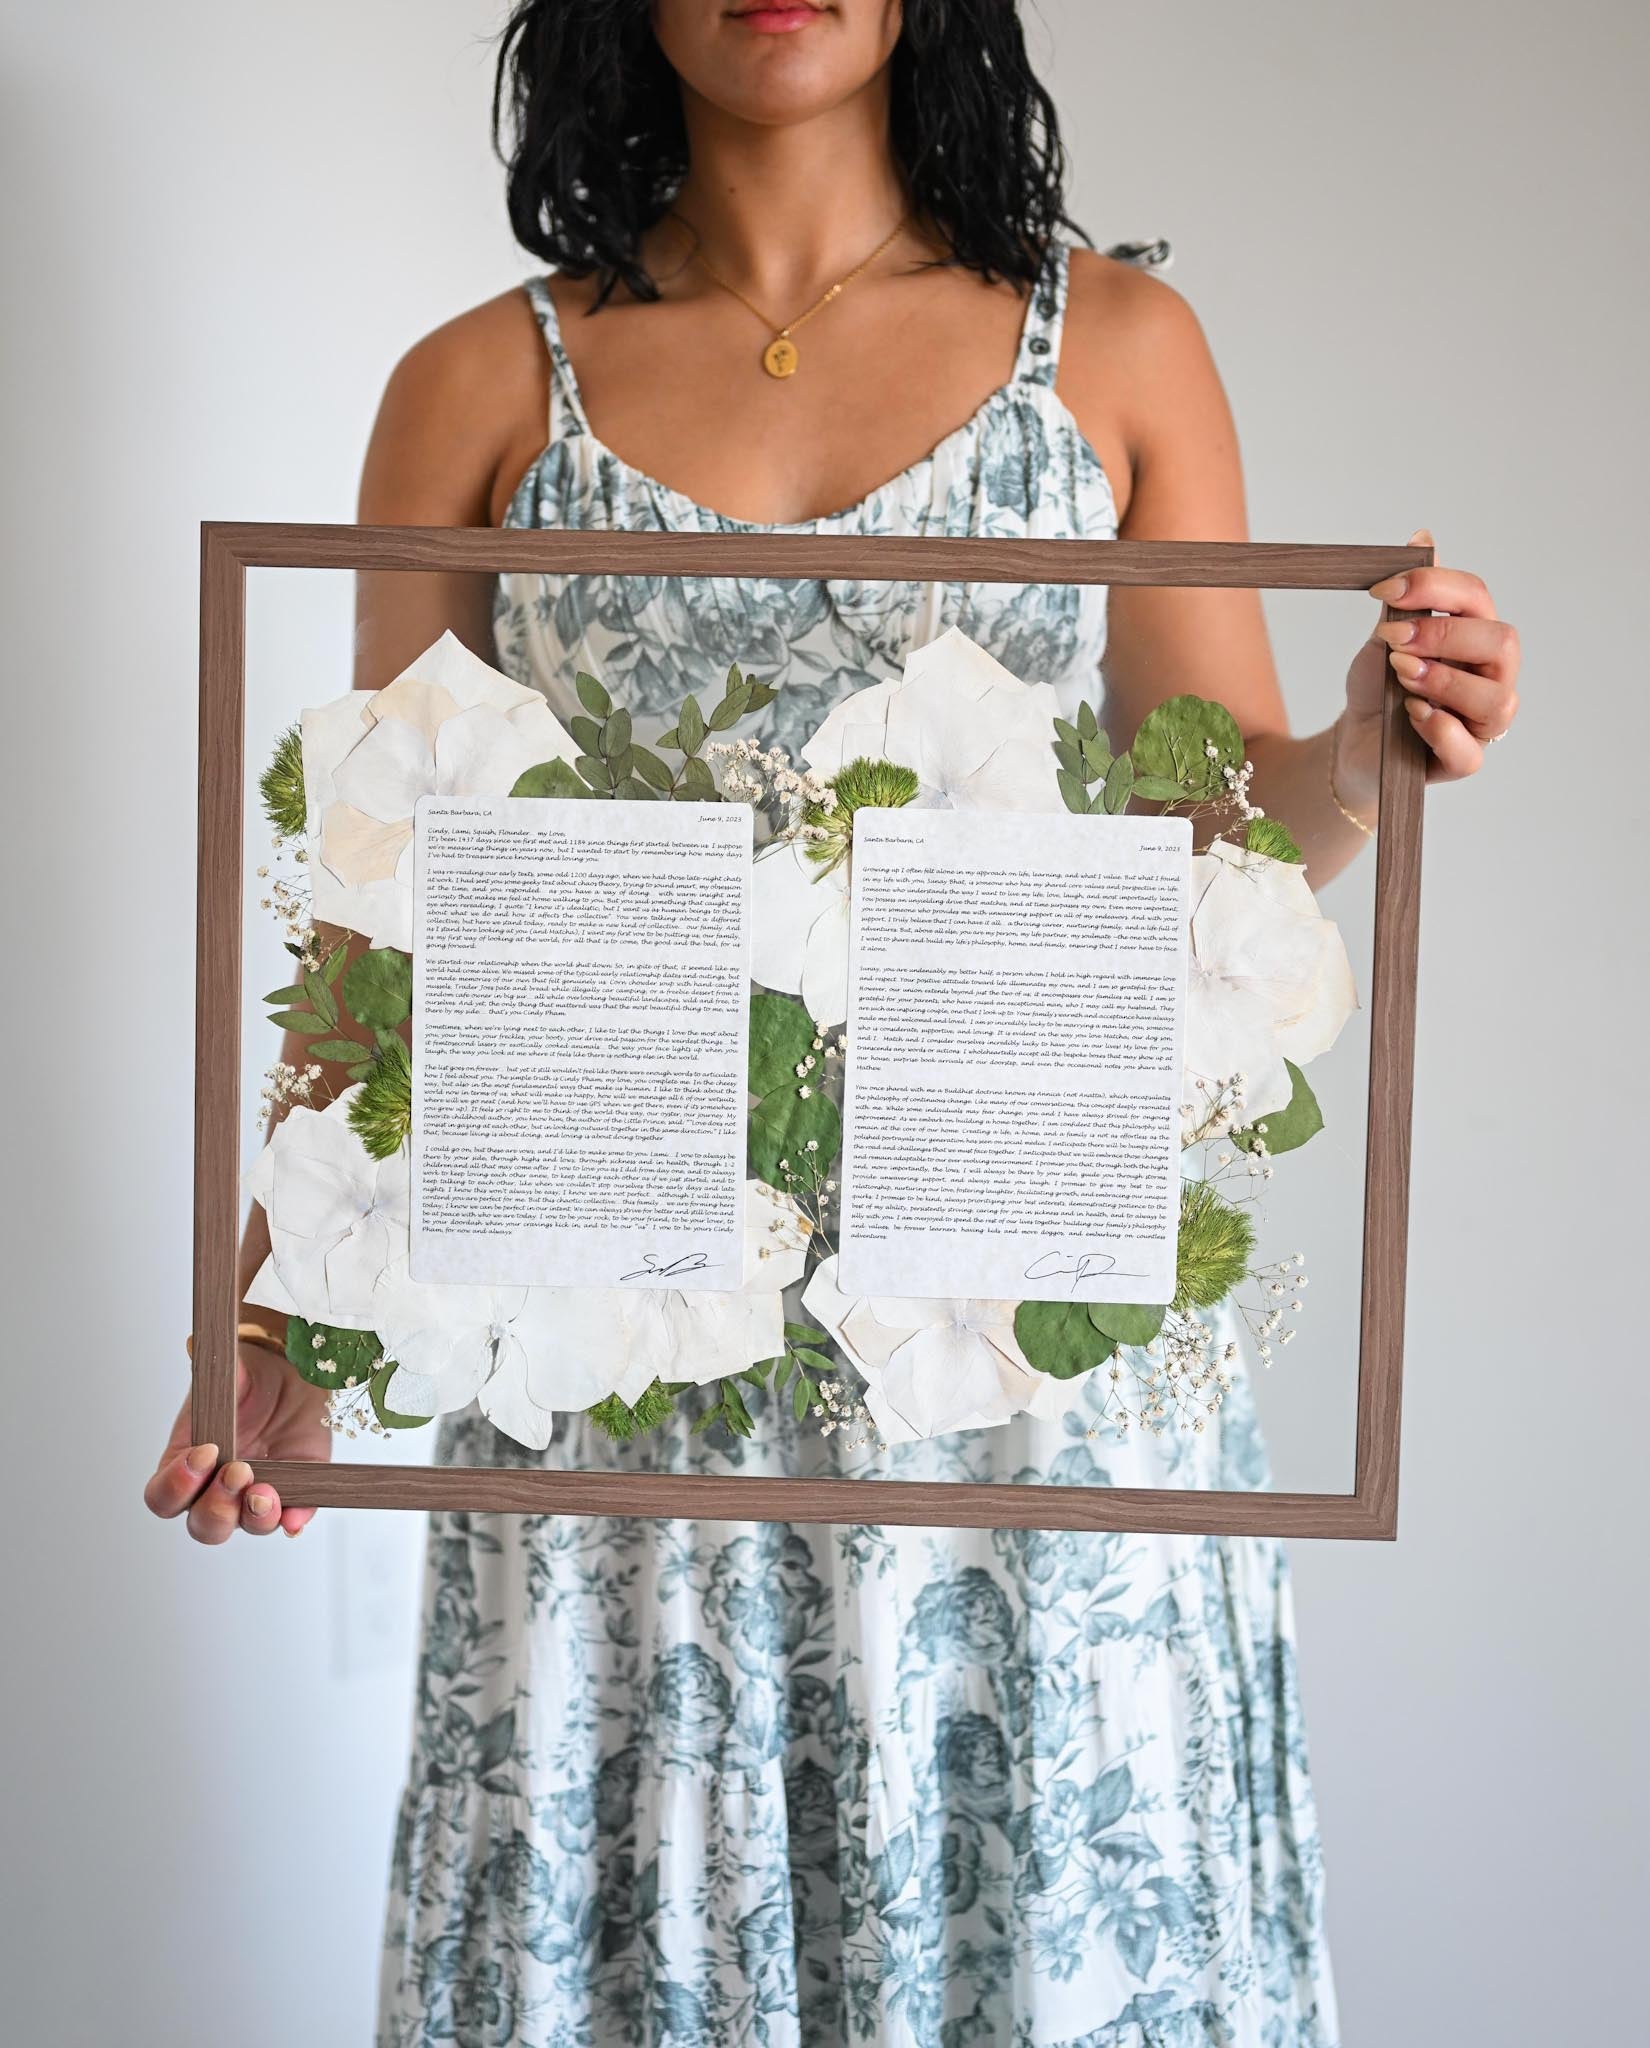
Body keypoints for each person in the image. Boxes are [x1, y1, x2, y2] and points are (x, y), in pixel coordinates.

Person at [147, 3, 1521, 2041]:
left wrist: (1365, 746)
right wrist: (273, 1326)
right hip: (626, 1378)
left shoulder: (1120, 352)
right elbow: (397, 920)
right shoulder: (472, 387)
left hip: (1012, 1371)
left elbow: (1209, 813)